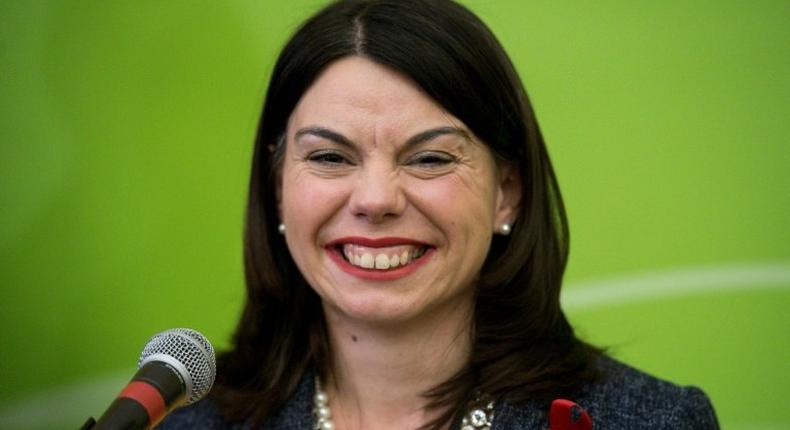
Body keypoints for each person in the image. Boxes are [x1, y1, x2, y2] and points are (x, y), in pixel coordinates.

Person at [159, 0, 719, 428]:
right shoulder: (193, 423)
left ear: (507, 192)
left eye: (429, 158)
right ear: (277, 188)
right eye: (330, 157)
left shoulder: (646, 419)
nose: (376, 200)